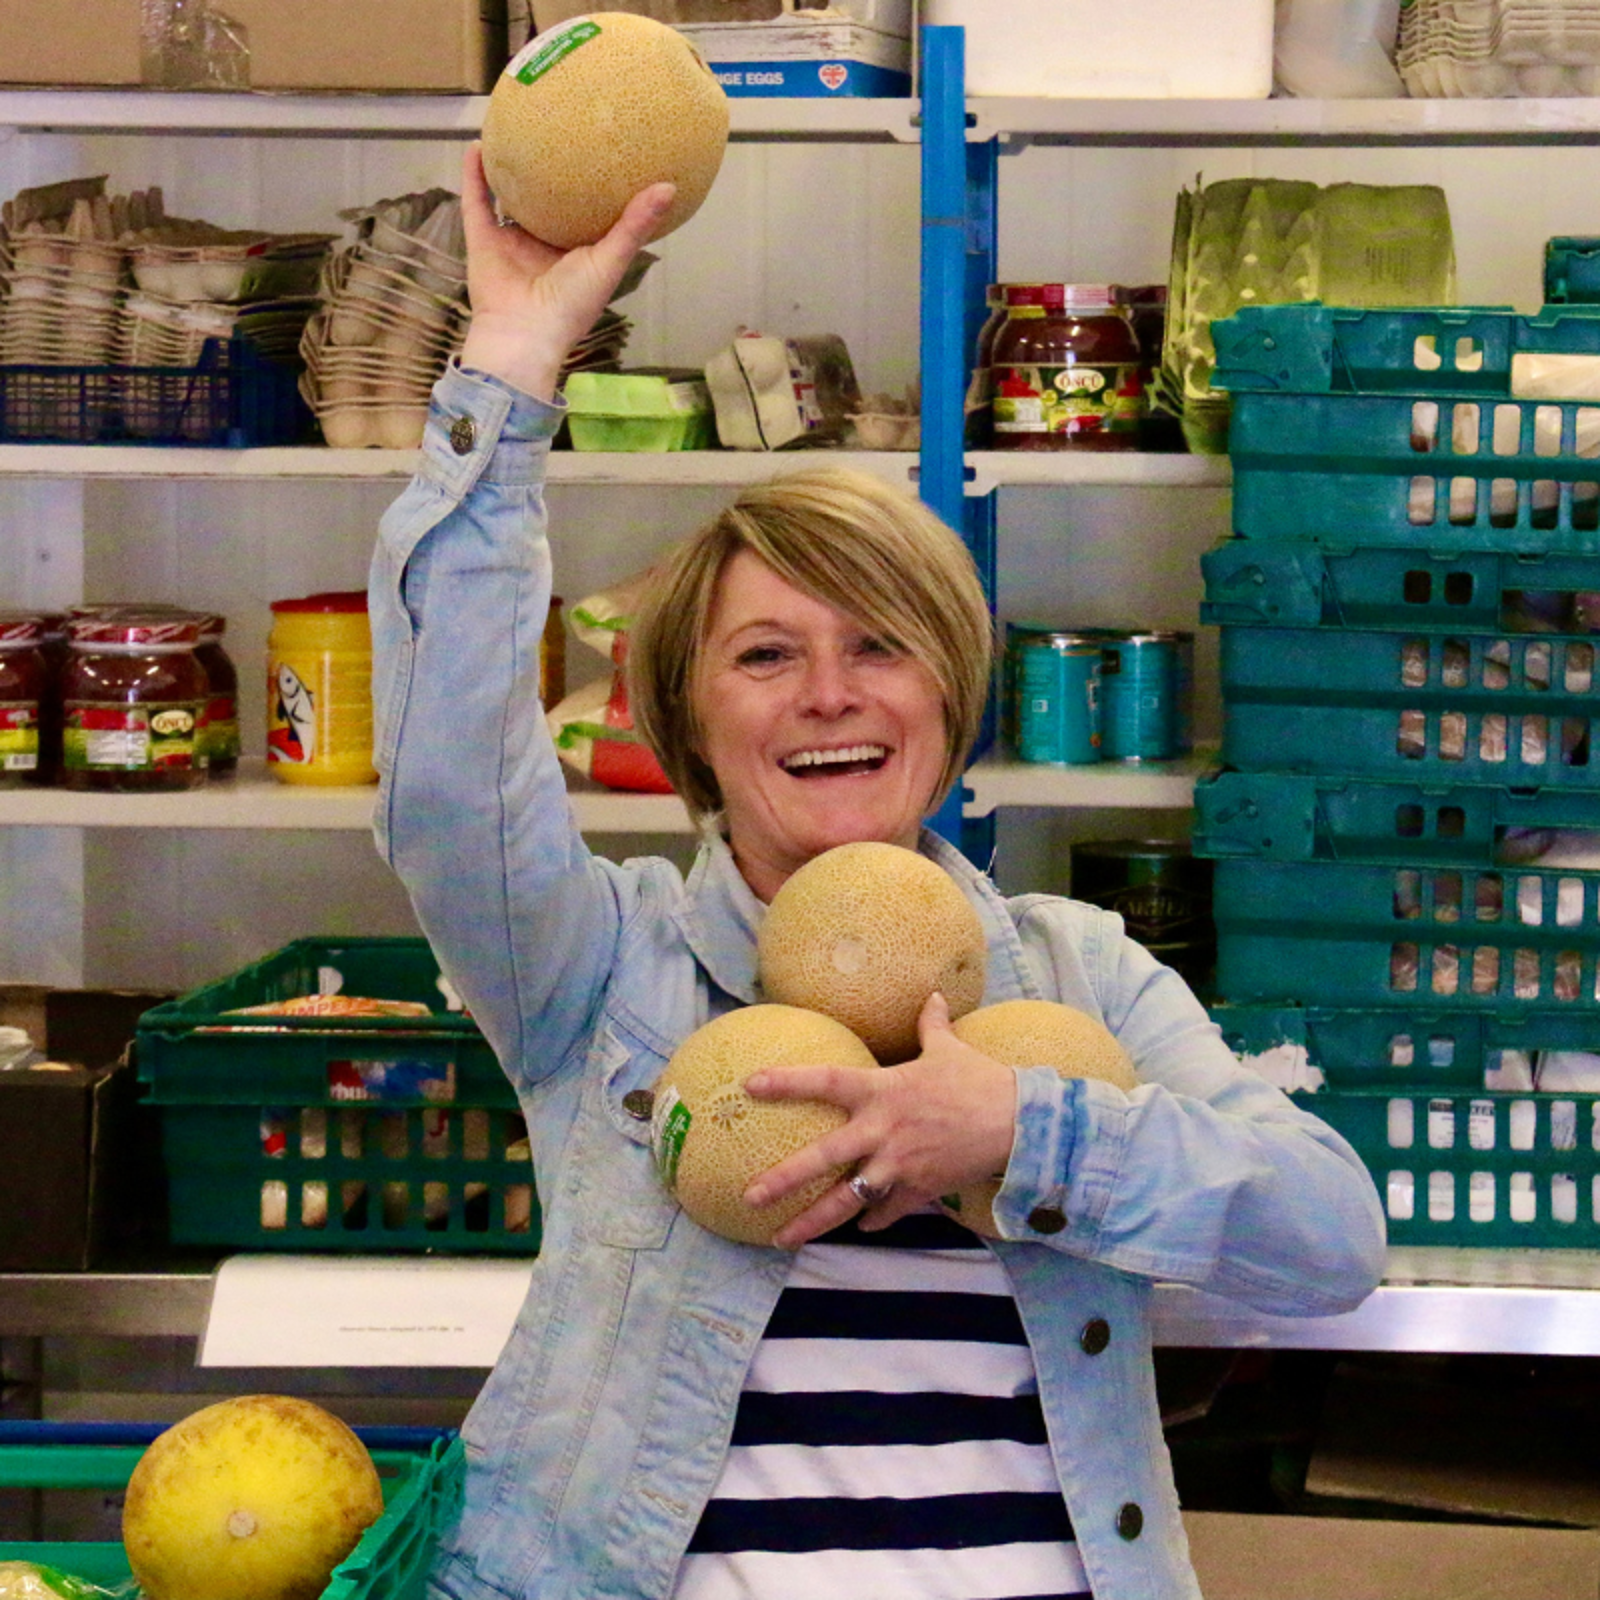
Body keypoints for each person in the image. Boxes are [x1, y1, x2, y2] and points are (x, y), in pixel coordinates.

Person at [369, 144, 1387, 1600]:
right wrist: (508, 377)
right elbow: (446, 779)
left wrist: (1027, 1136)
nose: (830, 696)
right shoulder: (605, 970)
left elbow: (1328, 1241)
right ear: (693, 724)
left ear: (951, 692)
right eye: (766, 656)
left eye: (879, 647)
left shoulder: (1076, 972)